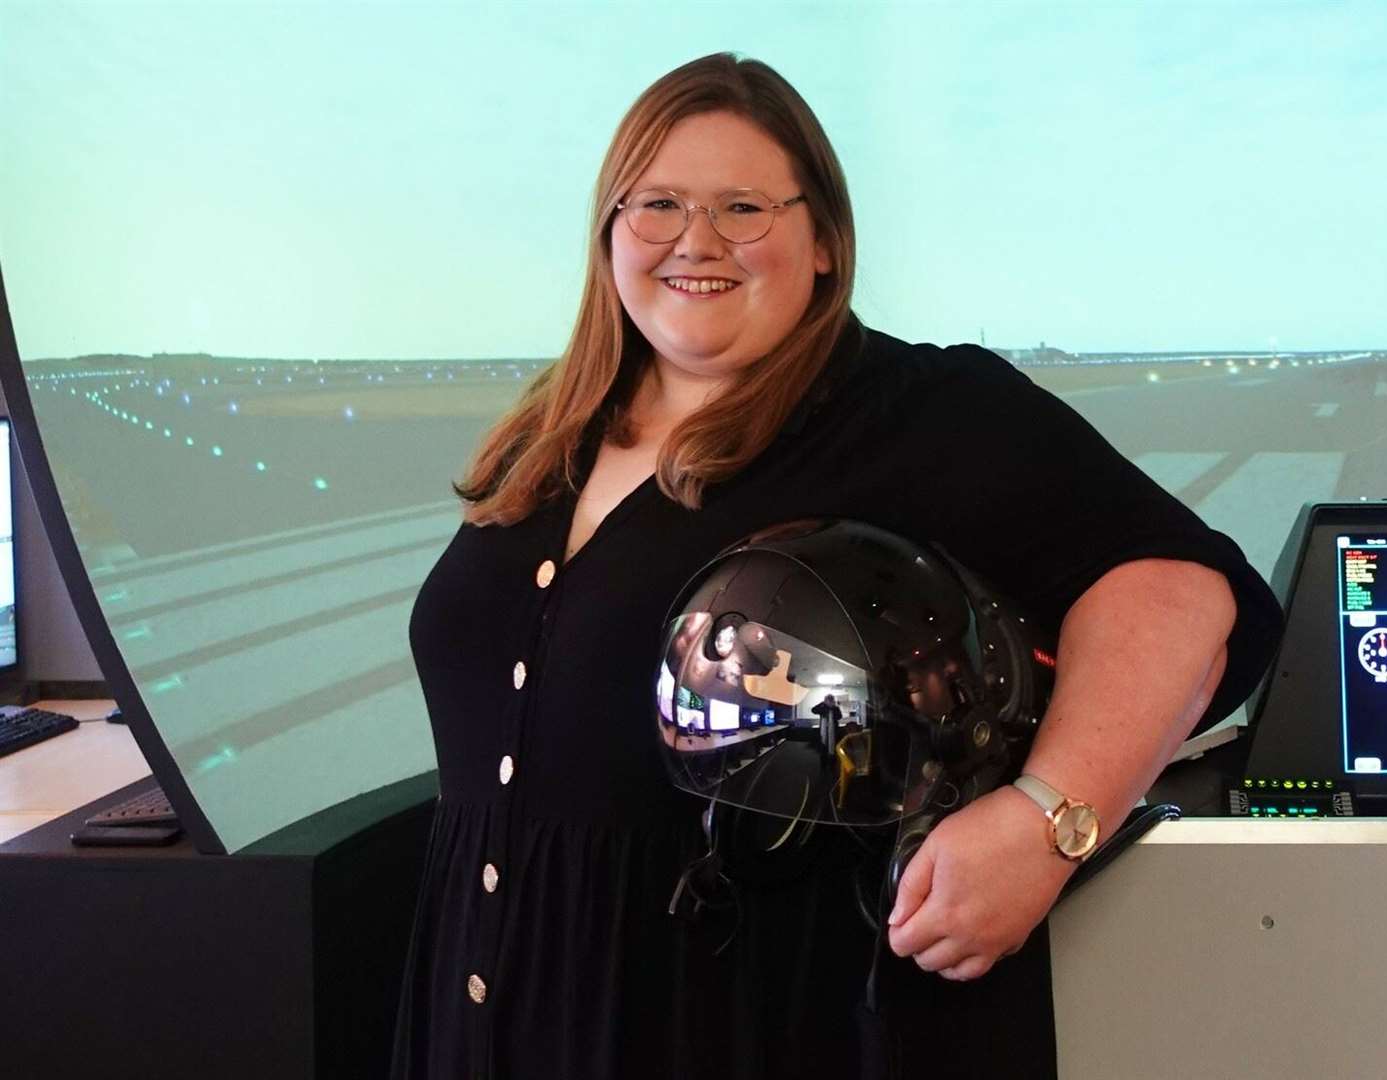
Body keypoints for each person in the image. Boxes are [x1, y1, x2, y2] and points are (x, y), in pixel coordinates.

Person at [392, 52, 1282, 1080]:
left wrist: (1048, 823)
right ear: (609, 233)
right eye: (659, 206)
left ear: (824, 240)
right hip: (487, 1018)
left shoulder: (917, 410)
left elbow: (1178, 593)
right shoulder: (546, 442)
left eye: (743, 208)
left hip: (750, 1022)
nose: (697, 240)